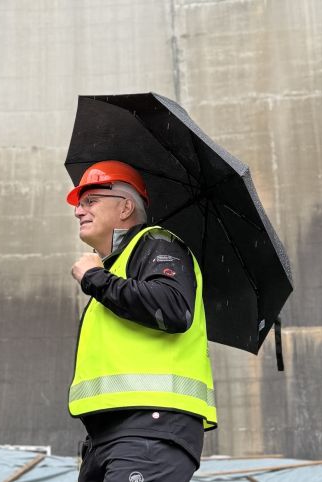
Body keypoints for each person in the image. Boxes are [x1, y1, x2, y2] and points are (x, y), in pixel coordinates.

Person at [66, 160, 217, 482]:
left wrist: (95, 278)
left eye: (91, 201)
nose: (79, 210)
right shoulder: (120, 266)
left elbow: (174, 308)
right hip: (110, 433)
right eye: (79, 204)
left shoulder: (157, 243)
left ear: (125, 208)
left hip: (152, 426)